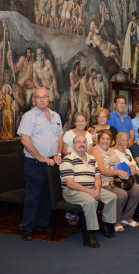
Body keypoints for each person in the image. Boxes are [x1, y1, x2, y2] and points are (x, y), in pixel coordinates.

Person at [17, 88, 64, 241]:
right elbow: (25, 140)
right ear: (34, 100)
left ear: (49, 98)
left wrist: (58, 154)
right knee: (33, 196)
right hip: (35, 162)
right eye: (39, 97)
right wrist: (40, 157)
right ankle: (26, 228)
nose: (42, 100)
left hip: (52, 161)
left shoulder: (56, 115)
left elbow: (60, 136)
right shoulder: (29, 117)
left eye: (45, 97)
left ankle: (42, 223)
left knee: (47, 195)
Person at [60, 135, 117, 247]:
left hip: (91, 188)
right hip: (72, 191)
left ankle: (106, 226)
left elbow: (97, 178)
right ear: (73, 145)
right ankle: (90, 234)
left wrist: (96, 189)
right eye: (78, 142)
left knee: (112, 197)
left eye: (84, 142)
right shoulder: (67, 159)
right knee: (91, 201)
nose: (81, 144)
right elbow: (70, 183)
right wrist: (90, 192)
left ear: (87, 144)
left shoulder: (91, 158)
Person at [90, 130, 139, 233]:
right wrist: (118, 171)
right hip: (103, 182)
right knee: (122, 194)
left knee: (138, 189)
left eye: (108, 139)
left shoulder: (111, 150)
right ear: (98, 139)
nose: (105, 141)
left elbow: (121, 164)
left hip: (117, 180)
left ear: (111, 141)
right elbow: (102, 170)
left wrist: (131, 166)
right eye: (103, 138)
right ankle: (117, 221)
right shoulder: (95, 150)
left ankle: (127, 217)